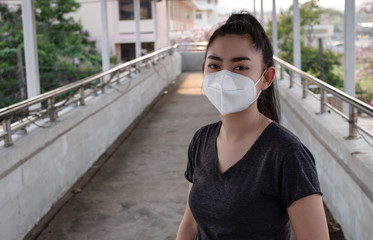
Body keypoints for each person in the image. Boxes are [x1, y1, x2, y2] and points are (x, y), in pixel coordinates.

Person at [176, 11, 329, 240]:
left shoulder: (286, 154)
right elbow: (190, 225)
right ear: (203, 71)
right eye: (215, 66)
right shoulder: (201, 140)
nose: (224, 77)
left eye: (240, 68)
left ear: (267, 78)